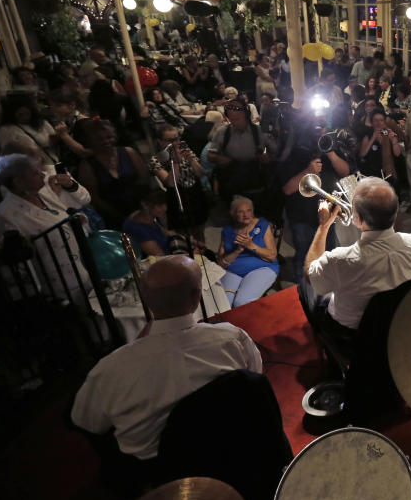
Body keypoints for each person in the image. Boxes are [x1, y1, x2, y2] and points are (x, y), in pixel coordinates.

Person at [70, 255, 262, 460]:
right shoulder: (232, 338)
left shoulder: (109, 370)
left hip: (163, 473)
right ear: (197, 296)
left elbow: (86, 421)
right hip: (236, 448)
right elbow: (255, 380)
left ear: (145, 298)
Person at [301, 177, 411, 338]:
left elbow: (310, 274)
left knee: (305, 286)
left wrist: (324, 226)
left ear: (358, 219)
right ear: (396, 213)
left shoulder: (341, 259)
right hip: (399, 321)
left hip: (353, 337)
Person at [0, 152, 93, 298]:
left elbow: (61, 215)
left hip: (84, 270)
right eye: (34, 173)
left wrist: (75, 221)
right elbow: (16, 265)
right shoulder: (4, 215)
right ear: (18, 182)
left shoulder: (43, 193)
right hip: (60, 286)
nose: (43, 174)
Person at [279, 109, 352, 273]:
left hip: (327, 214)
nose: (321, 130)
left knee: (330, 254)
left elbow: (345, 172)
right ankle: (305, 293)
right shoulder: (293, 152)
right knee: (306, 258)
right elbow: (287, 189)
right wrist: (307, 171)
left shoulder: (330, 147)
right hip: (302, 217)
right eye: (316, 127)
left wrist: (331, 153)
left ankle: (330, 289)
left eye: (323, 126)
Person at [77, 120, 148, 229]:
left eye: (109, 137)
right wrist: (118, 215)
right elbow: (94, 198)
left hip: (141, 207)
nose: (106, 141)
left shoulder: (129, 152)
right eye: (99, 139)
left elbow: (144, 178)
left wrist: (141, 207)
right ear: (91, 141)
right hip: (112, 215)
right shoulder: (87, 165)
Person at [147, 124, 209, 240]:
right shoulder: (156, 159)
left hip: (195, 194)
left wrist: (191, 160)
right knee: (183, 235)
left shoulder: (186, 150)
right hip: (176, 197)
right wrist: (176, 162)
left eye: (176, 138)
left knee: (200, 231)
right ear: (160, 141)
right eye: (169, 140)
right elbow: (170, 183)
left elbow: (200, 173)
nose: (175, 143)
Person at [207, 98, 274, 201]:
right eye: (231, 119)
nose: (234, 122)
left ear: (246, 115)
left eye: (237, 118)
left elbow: (270, 150)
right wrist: (225, 160)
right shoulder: (223, 132)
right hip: (231, 179)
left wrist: (265, 156)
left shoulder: (258, 131)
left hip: (253, 179)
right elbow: (210, 155)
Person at [217, 196, 279, 307]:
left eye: (249, 210)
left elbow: (272, 256)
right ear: (233, 214)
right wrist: (238, 251)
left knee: (241, 303)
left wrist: (251, 245)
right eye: (241, 212)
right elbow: (221, 263)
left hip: (261, 269)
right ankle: (227, 325)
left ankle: (247, 324)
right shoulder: (227, 231)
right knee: (224, 305)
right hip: (233, 271)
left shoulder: (263, 225)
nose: (246, 215)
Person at [0, 92, 61, 165]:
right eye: (21, 115)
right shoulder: (7, 129)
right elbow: (8, 154)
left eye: (27, 113)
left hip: (52, 164)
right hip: (29, 169)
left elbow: (54, 142)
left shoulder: (42, 123)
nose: (25, 117)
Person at [122, 189, 176, 256]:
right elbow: (161, 258)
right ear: (144, 205)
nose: (165, 208)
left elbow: (166, 233)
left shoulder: (145, 215)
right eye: (159, 205)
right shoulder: (138, 229)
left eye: (165, 204)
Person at [357, 109, 402, 180]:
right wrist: (373, 138)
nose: (379, 123)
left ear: (384, 122)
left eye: (381, 120)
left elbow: (397, 154)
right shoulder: (368, 136)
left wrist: (394, 141)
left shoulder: (389, 134)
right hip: (373, 173)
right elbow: (362, 154)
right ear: (372, 122)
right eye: (376, 120)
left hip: (390, 172)